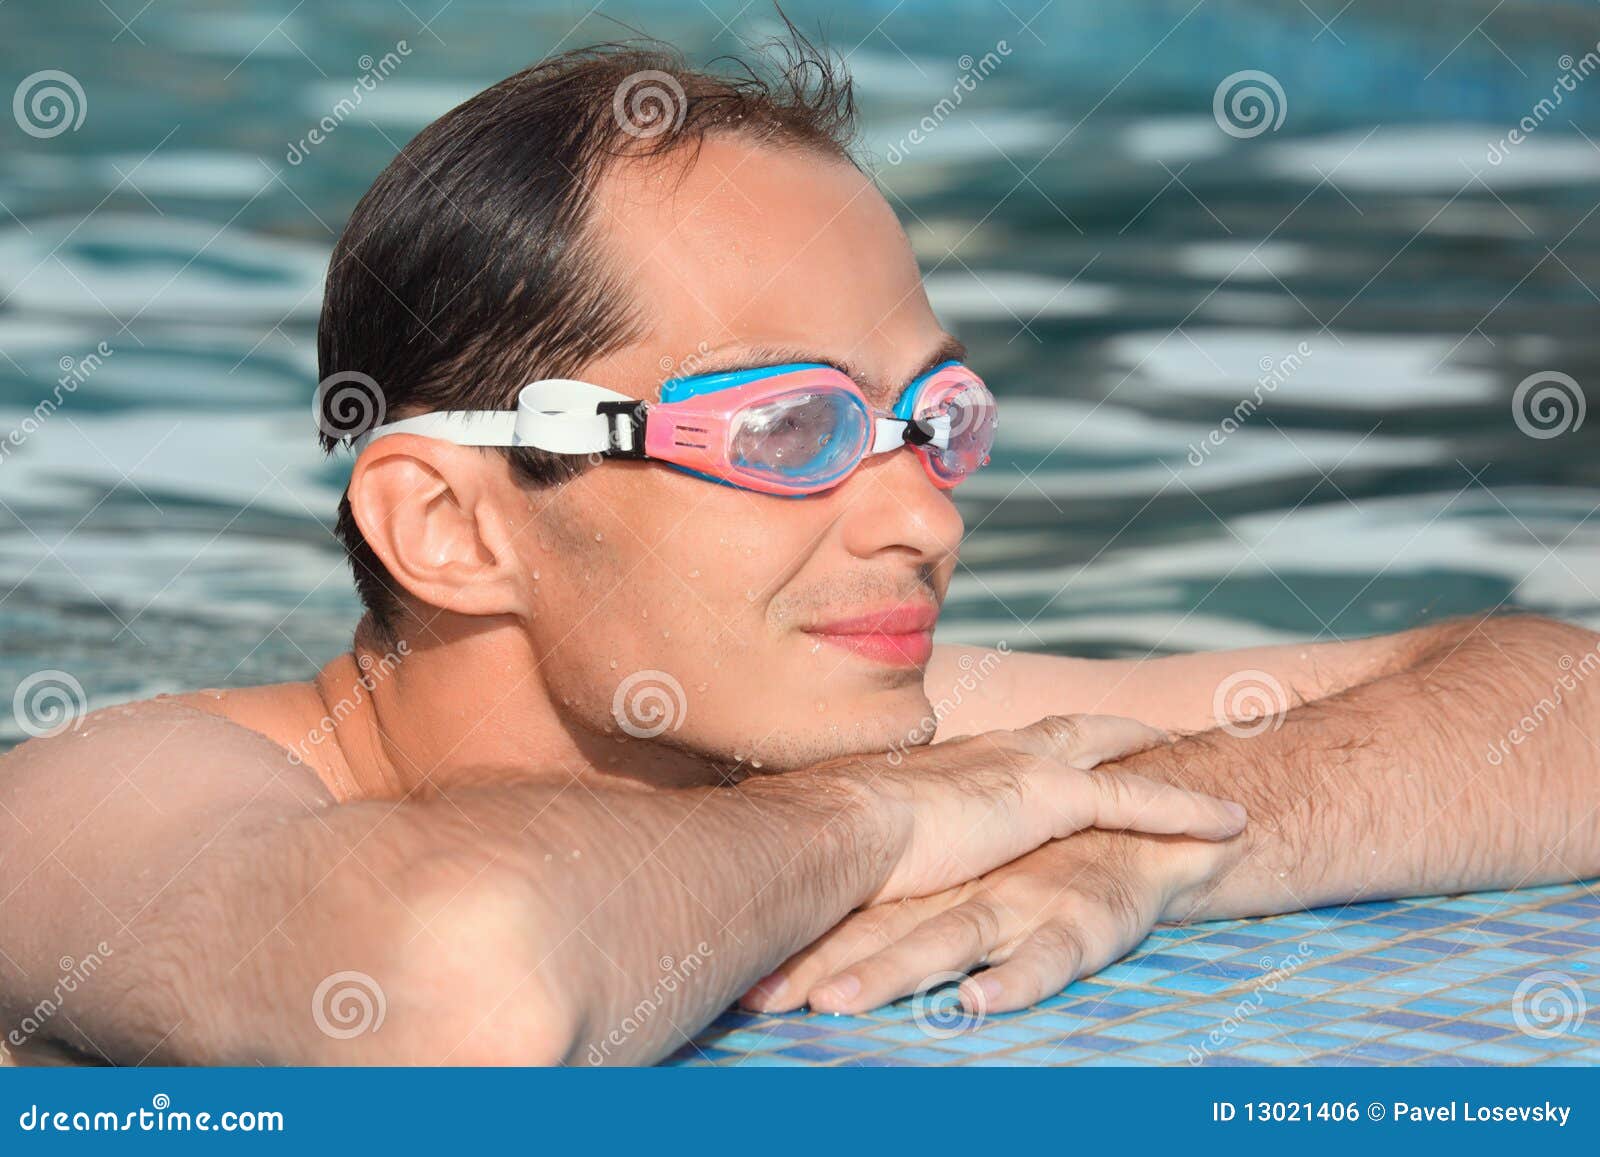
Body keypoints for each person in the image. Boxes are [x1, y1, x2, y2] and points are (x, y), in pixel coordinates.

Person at [3, 36, 1596, 1067]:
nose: (928, 517)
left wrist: (1153, 847)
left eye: (933, 418)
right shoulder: (99, 800)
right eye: (786, 429)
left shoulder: (806, 715)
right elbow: (463, 983)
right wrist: (878, 819)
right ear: (451, 523)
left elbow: (1562, 706)